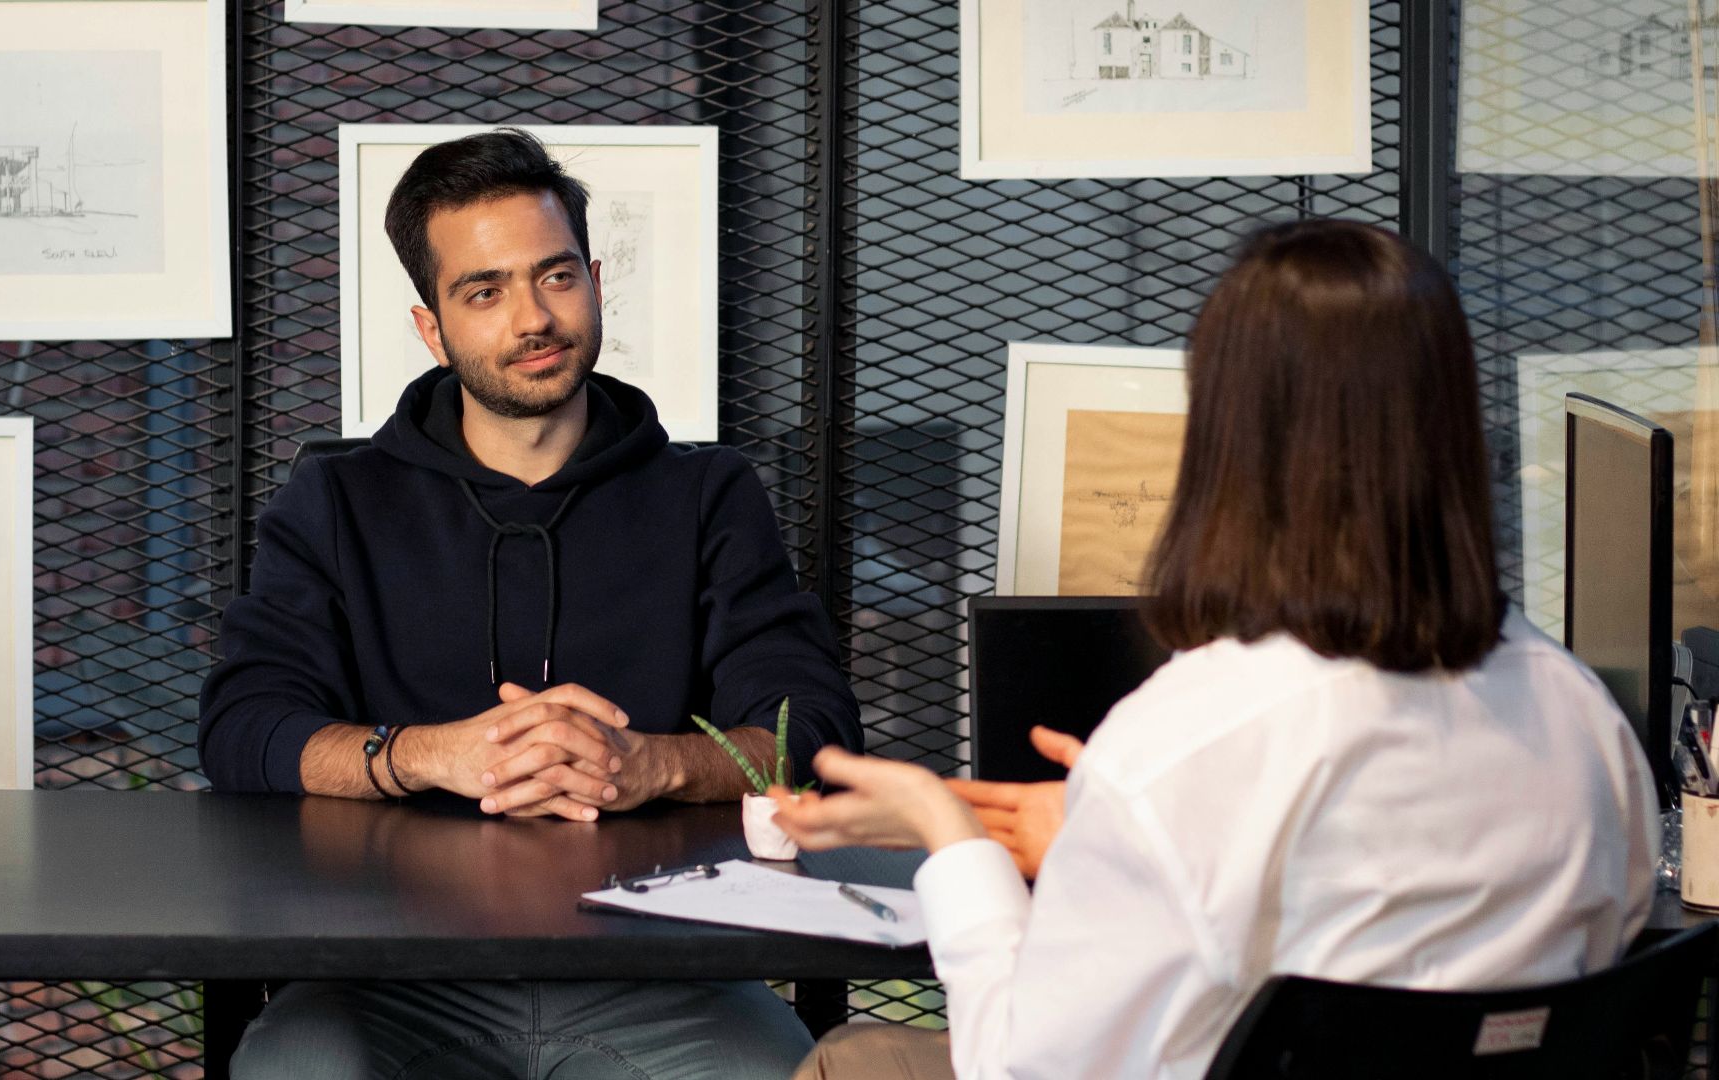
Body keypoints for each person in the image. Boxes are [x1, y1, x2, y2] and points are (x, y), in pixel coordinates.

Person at [773, 219, 1661, 1080]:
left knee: (851, 1059)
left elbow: (1019, 1063)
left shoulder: (1190, 739)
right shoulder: (1580, 713)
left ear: (1229, 441)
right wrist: (1122, 824)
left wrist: (950, 837)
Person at [200, 127, 862, 1080]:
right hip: (385, 968)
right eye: (485, 290)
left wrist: (649, 765)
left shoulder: (710, 495)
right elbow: (242, 729)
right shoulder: (336, 501)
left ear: (594, 280)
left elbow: (818, 736)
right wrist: (435, 755)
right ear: (432, 327)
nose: (532, 318)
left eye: (555, 277)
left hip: (668, 969)